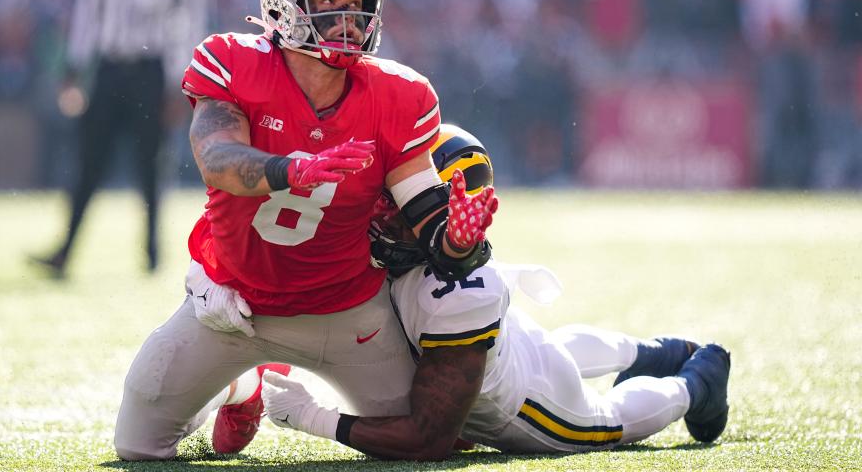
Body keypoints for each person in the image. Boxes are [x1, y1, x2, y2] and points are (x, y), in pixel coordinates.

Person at [112, 0, 499, 460]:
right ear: (283, 4)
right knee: (138, 447)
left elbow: (425, 212)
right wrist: (290, 169)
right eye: (329, 3)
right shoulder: (232, 62)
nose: (347, 18)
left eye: (357, 5)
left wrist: (457, 241)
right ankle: (243, 390)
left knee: (430, 439)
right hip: (237, 306)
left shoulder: (399, 94)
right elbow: (218, 161)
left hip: (348, 311)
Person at [261, 125, 732, 460]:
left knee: (604, 421)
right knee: (551, 347)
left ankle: (697, 383)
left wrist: (313, 417)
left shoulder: (456, 294)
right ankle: (655, 351)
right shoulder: (428, 257)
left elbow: (429, 439)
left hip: (527, 407)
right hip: (508, 349)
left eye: (405, 199)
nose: (385, 210)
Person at [31, 0, 209, 277]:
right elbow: (86, 17)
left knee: (151, 166)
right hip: (111, 69)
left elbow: (186, 25)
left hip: (150, 72)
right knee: (89, 161)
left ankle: (151, 253)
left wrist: (179, 85)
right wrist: (73, 70)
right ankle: (66, 249)